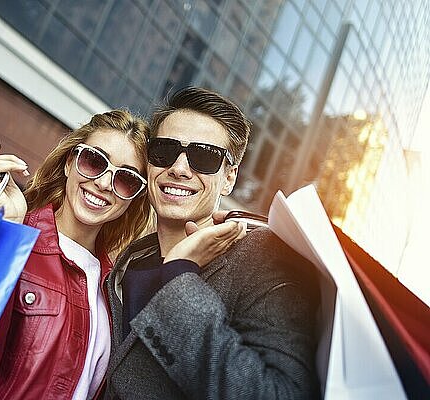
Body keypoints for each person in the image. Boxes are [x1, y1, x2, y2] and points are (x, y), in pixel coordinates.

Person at [103, 87, 321, 399]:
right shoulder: (128, 262)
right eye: (164, 151)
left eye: (204, 157)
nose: (178, 169)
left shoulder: (265, 255)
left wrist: (179, 278)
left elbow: (278, 394)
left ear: (230, 177)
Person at [0, 110, 155, 400]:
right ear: (70, 163)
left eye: (126, 178)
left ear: (134, 197)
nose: (104, 183)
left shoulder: (115, 290)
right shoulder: (15, 237)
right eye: (94, 161)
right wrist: (7, 231)